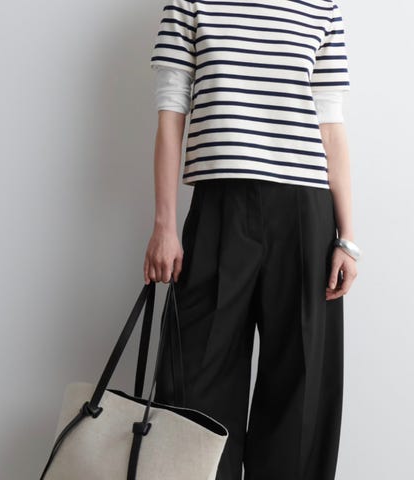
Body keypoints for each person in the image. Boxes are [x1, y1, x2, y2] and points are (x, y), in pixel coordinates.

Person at [143, 1, 361, 479]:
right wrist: (164, 225)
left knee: (300, 386)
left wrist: (348, 238)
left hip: (305, 213)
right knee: (195, 382)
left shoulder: (320, 8)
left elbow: (329, 124)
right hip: (219, 206)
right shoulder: (190, 4)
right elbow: (171, 110)